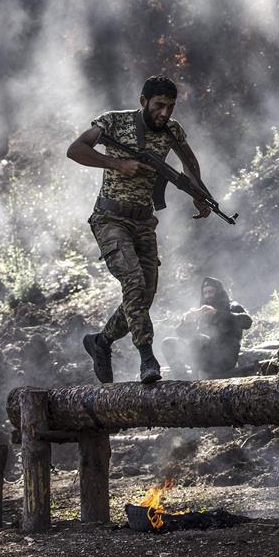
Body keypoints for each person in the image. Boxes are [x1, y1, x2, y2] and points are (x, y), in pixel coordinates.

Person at [66, 75, 211, 384]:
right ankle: (147, 358)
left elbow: (189, 165)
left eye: (170, 107)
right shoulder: (114, 122)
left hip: (144, 222)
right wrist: (118, 165)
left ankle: (101, 342)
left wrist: (201, 196)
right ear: (143, 100)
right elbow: (75, 150)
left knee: (144, 295)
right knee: (133, 282)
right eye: (159, 105)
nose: (164, 113)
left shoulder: (172, 131)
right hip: (110, 220)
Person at [161, 277, 253, 379]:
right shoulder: (202, 312)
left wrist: (217, 313)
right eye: (205, 293)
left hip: (224, 360)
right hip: (202, 358)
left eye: (211, 291)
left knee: (199, 339)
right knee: (168, 343)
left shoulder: (232, 306)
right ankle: (182, 378)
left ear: (218, 292)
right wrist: (186, 322)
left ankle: (196, 376)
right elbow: (184, 335)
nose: (208, 295)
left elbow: (247, 322)